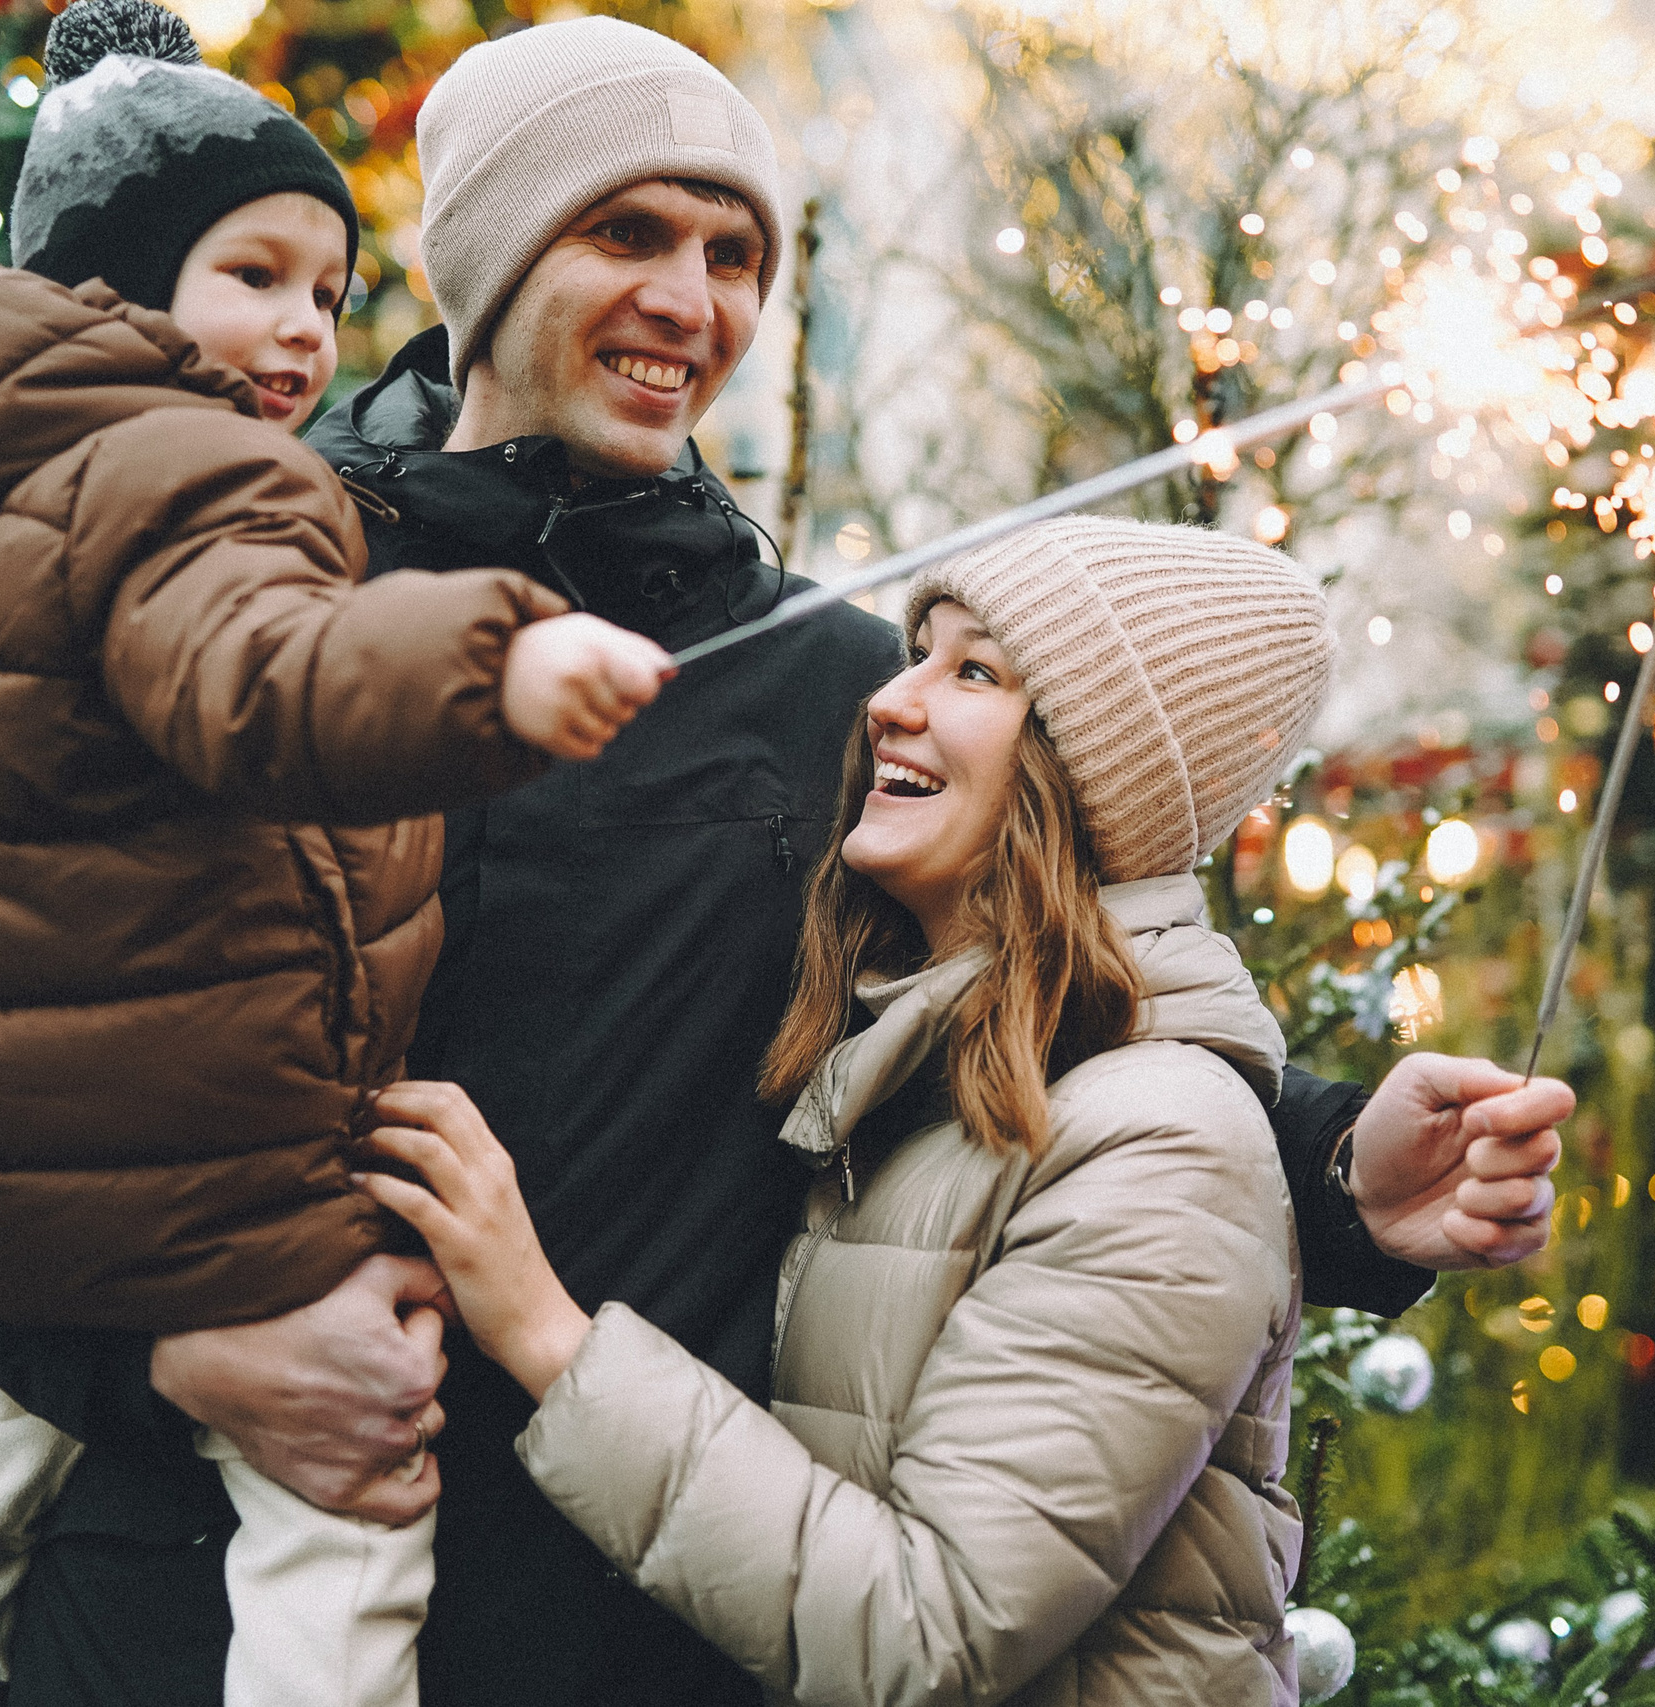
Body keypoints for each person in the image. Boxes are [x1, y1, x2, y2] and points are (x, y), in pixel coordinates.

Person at [0, 16, 1571, 1707]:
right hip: (184, 1613)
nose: (689, 299)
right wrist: (165, 1365)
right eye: (624, 231)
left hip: (622, 1623)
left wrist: (1335, 1163)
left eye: (738, 256)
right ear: (482, 268)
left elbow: (1038, 1011)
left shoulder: (835, 688)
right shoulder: (225, 588)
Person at [0, 2, 670, 1703]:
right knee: (347, 1524)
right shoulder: (204, 489)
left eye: (326, 292)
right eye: (252, 275)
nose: (303, 333)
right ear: (108, 291)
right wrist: (499, 660)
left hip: (31, 1153)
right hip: (223, 1180)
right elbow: (272, 666)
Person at [357, 518, 1575, 1705]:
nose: (889, 700)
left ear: (1087, 775)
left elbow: (924, 1635)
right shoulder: (922, 1073)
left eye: (975, 670)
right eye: (918, 653)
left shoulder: (1157, 1144)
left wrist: (540, 1331)